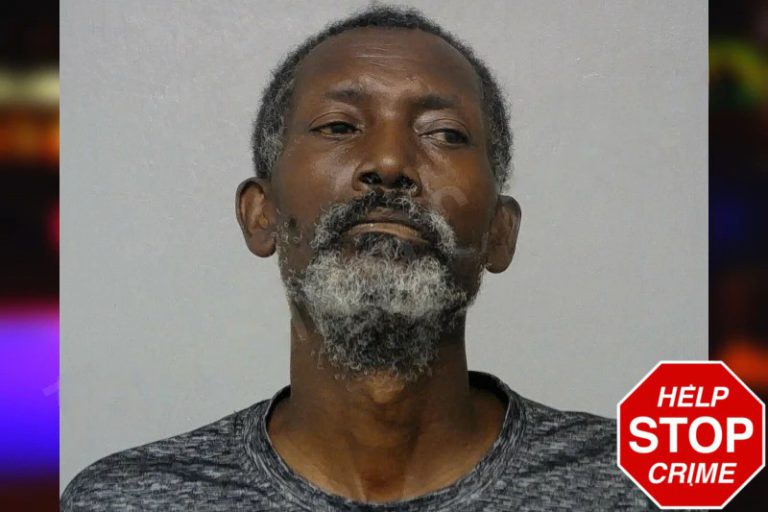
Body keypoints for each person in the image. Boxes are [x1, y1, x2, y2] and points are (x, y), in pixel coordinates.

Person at [62, 6, 656, 511]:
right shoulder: (124, 500)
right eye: (338, 126)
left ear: (500, 233)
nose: (389, 163)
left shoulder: (639, 489)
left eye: (444, 133)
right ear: (261, 214)